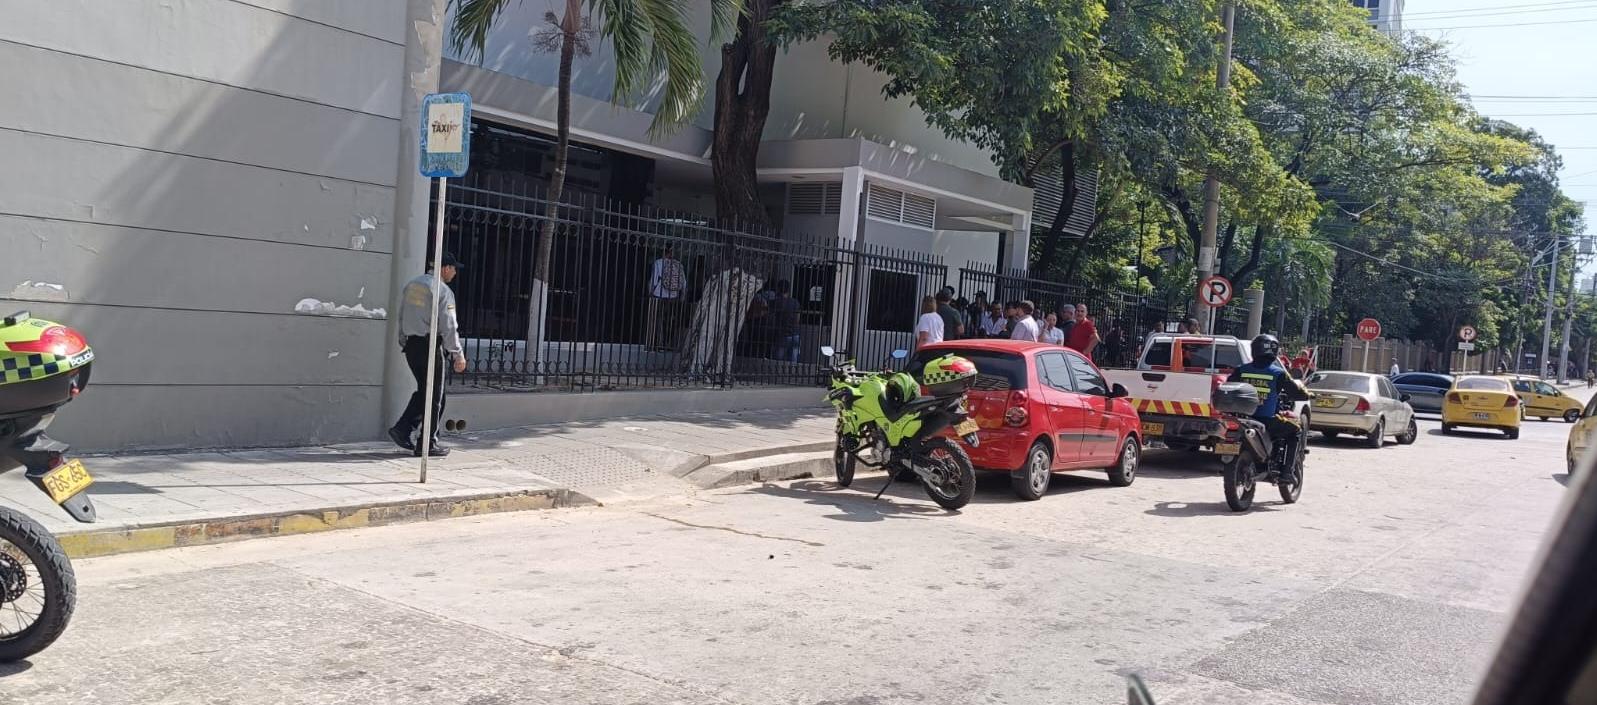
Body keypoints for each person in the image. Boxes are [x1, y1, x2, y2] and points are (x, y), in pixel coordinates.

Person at [390, 252, 468, 457]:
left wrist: (404, 340)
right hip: (430, 346)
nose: (455, 273)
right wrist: (458, 354)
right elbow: (449, 325)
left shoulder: (413, 285)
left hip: (412, 346)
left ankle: (402, 429)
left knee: (425, 391)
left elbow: (401, 315)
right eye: (453, 269)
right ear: (445, 268)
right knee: (435, 397)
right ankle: (427, 443)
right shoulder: (443, 290)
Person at [1228, 334, 1312, 487]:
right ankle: (1286, 473)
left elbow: (1229, 387)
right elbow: (1296, 392)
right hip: (1266, 420)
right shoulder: (1278, 373)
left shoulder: (1241, 370)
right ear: (1273, 351)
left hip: (1243, 419)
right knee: (1295, 431)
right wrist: (1306, 394)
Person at [647, 247, 687, 350]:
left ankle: (657, 343)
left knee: (658, 319)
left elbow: (654, 280)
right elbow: (684, 282)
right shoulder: (678, 264)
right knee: (670, 319)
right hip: (673, 296)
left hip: (659, 295)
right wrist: (682, 296)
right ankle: (668, 343)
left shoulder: (658, 263)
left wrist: (650, 292)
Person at [769, 279, 801, 363]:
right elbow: (797, 319)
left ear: (778, 289)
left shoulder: (776, 302)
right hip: (795, 334)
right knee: (793, 361)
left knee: (777, 361)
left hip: (783, 334)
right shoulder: (795, 302)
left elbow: (769, 314)